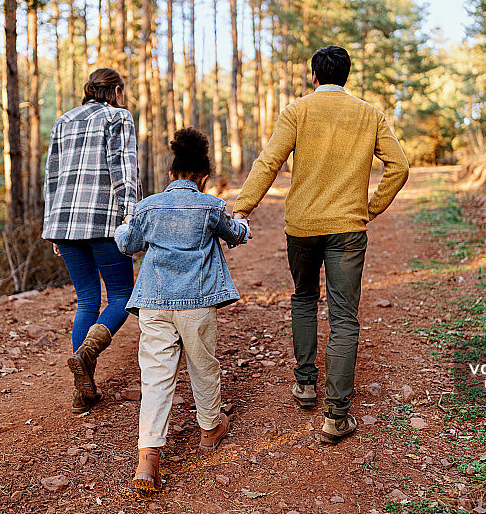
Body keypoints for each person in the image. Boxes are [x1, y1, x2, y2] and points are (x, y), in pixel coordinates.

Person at [232, 45, 409, 444]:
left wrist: (242, 208)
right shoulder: (369, 114)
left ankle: (305, 385)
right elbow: (399, 166)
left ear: (314, 77)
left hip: (302, 227)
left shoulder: (297, 110)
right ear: (345, 77)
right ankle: (336, 417)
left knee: (304, 298)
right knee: (344, 317)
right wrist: (370, 208)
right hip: (348, 227)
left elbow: (268, 162)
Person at [114, 127, 250, 492]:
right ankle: (209, 429)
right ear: (203, 176)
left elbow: (128, 244)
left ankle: (148, 458)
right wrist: (243, 223)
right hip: (197, 303)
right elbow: (235, 234)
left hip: (154, 303)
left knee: (156, 376)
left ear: (172, 173)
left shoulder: (148, 206)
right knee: (202, 364)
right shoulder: (210, 206)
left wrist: (124, 226)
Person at [42, 68, 139, 414]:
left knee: (86, 300)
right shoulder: (118, 117)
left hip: (64, 223)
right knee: (122, 296)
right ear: (116, 91)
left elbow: (51, 177)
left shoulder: (64, 121)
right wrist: (131, 216)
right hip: (104, 222)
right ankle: (88, 353)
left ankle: (82, 393)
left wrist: (53, 227)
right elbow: (124, 169)